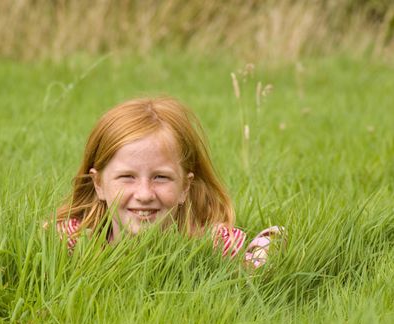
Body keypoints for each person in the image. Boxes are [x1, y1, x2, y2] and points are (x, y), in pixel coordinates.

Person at [53, 96, 283, 267]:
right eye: (127, 177)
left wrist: (261, 255)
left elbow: (274, 242)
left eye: (160, 177)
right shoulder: (72, 243)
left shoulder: (213, 246)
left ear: (185, 186)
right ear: (99, 184)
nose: (144, 194)